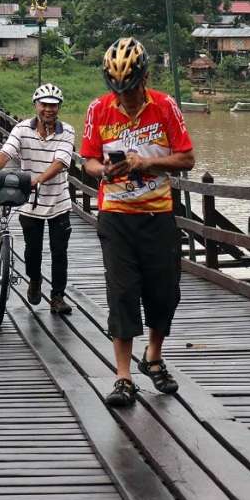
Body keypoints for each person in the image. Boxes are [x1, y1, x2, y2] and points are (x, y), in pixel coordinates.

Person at [79, 37, 195, 407]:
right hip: (116, 216)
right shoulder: (98, 110)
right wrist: (105, 171)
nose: (125, 98)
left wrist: (146, 164)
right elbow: (88, 161)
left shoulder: (165, 107)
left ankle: (153, 356)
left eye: (130, 89)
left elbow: (187, 159)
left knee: (164, 293)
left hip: (157, 213)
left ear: (143, 78)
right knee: (123, 293)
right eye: (118, 90)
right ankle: (123, 375)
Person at [0, 84, 75, 315]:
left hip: (58, 201)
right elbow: (7, 152)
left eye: (53, 105)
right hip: (30, 203)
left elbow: (61, 161)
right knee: (32, 250)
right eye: (44, 105)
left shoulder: (67, 131)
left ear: (59, 107)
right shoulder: (22, 129)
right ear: (36, 106)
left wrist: (38, 179)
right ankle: (34, 280)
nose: (49, 110)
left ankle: (58, 296)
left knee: (59, 251)